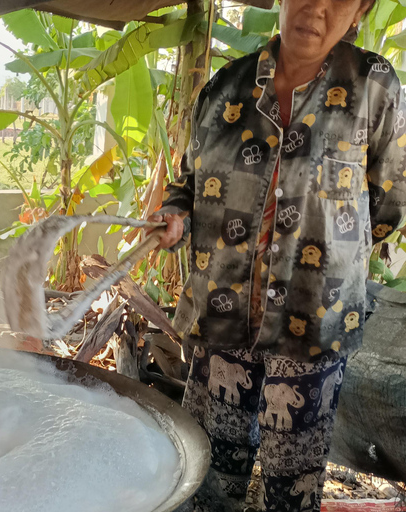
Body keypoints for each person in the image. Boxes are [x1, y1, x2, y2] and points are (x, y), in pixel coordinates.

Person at [153, 0, 406, 511]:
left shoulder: (372, 86)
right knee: (209, 478)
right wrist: (174, 214)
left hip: (311, 319)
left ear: (359, 10)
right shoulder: (225, 86)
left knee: (291, 488)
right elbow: (189, 182)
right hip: (222, 312)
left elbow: (388, 201)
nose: (317, 8)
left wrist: (329, 257)